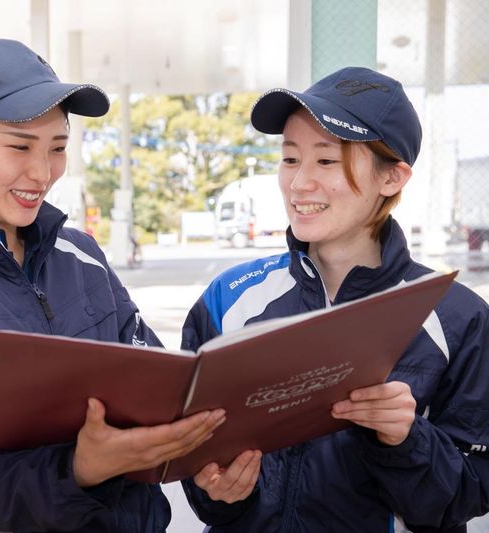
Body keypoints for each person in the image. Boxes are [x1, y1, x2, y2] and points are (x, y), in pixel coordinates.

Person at [0, 38, 225, 532]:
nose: (42, 172)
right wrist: (79, 470)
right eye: (19, 146)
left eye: (57, 148)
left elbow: (158, 385)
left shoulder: (82, 255)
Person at [181, 67, 489, 531]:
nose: (299, 183)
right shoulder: (229, 298)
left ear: (392, 177)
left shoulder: (457, 317)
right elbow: (192, 458)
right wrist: (219, 493)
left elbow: (471, 491)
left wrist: (406, 439)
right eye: (290, 158)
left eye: (326, 161)